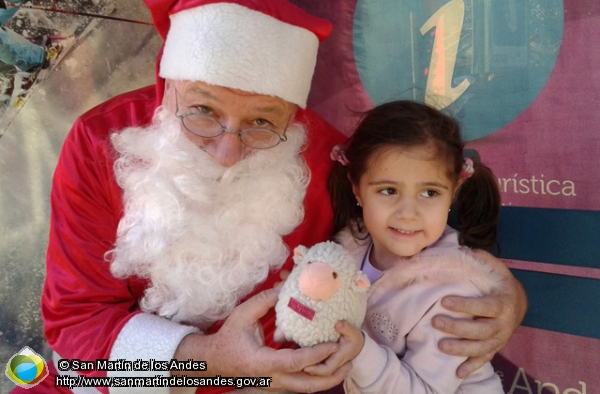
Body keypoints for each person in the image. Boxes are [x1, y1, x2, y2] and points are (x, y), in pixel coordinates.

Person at [28, 1, 525, 393]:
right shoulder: (101, 142)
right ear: (168, 85)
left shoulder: (325, 155)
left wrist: (503, 295)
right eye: (201, 109)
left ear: (293, 115)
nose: (227, 151)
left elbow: (402, 229)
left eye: (263, 122)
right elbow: (76, 328)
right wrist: (210, 363)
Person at [325, 100, 507, 393]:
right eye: (388, 190)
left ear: (453, 193)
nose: (408, 213)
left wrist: (358, 351)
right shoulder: (345, 254)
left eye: (429, 192)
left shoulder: (453, 292)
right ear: (357, 189)